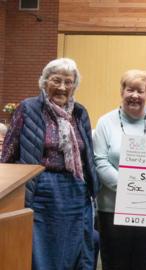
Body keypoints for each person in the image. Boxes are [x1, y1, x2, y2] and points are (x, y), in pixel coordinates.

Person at [1, 58, 98, 269]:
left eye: (68, 82)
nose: (62, 87)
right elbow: (8, 152)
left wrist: (92, 187)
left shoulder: (80, 112)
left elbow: (87, 154)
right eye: (56, 80)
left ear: (74, 85)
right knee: (41, 250)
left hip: (75, 191)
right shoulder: (28, 108)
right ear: (45, 82)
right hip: (41, 190)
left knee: (73, 249)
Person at [93, 69, 146, 270]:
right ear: (122, 92)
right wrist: (128, 187)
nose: (135, 95)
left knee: (145, 262)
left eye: (140, 91)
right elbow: (99, 160)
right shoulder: (105, 122)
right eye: (130, 90)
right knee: (115, 262)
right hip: (112, 208)